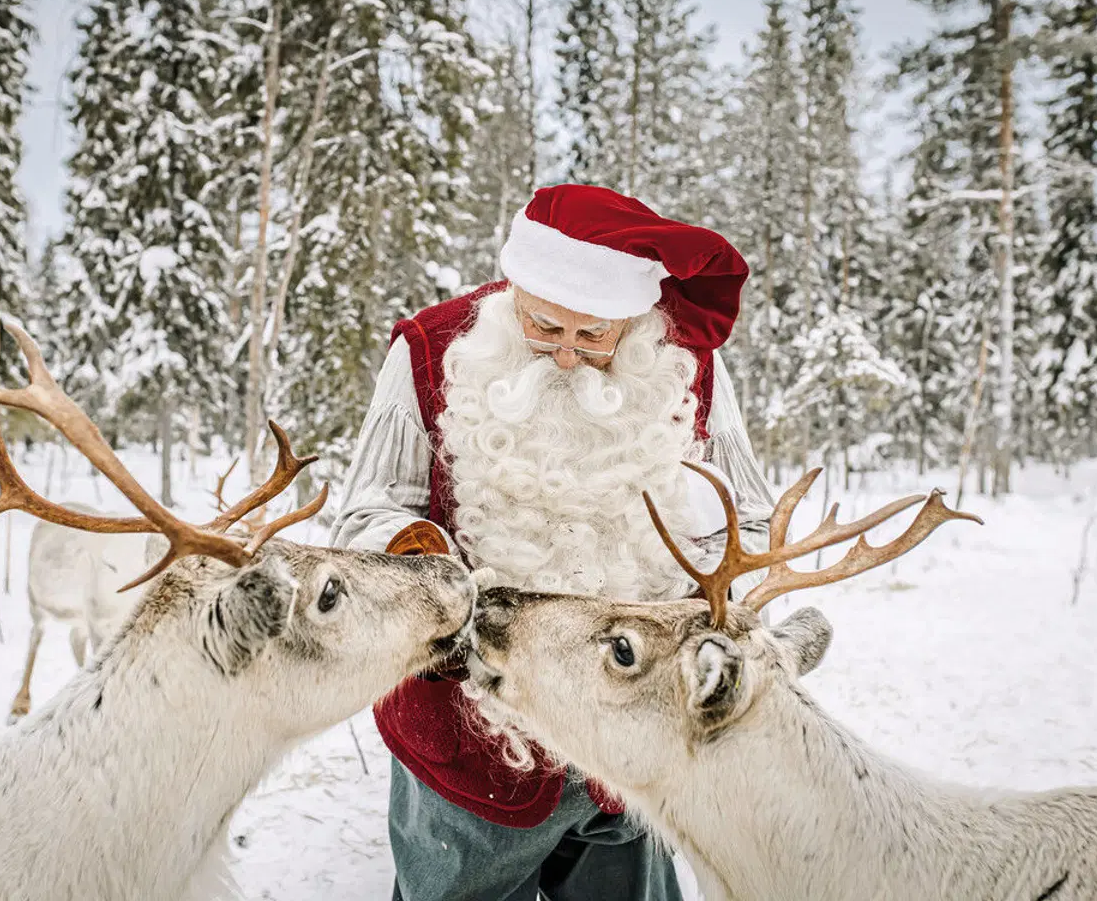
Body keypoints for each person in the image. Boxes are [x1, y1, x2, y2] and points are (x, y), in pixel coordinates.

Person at [331, 184, 776, 901]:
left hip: (628, 752)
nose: (566, 355)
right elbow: (367, 513)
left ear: (633, 319)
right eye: (543, 326)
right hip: (467, 748)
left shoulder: (684, 362)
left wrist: (721, 602)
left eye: (593, 336)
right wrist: (422, 565)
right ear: (516, 289)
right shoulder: (429, 348)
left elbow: (750, 520)